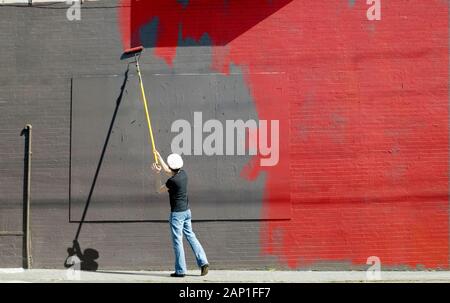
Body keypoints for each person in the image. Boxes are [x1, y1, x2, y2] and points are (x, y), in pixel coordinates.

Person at [151, 150, 209, 277]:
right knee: (191, 236)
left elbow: (158, 190)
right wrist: (159, 156)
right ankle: (203, 262)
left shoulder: (172, 182)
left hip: (177, 214)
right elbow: (168, 171)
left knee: (178, 241)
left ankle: (180, 270)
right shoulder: (183, 174)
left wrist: (156, 174)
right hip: (187, 212)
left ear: (172, 167)